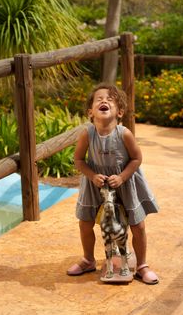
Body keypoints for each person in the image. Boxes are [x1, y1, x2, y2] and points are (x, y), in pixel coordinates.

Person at [67, 83, 159, 284]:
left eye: (110, 99)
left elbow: (136, 158)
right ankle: (88, 260)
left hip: (124, 182)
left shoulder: (124, 134)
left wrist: (123, 177)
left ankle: (142, 265)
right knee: (85, 223)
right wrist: (92, 176)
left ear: (120, 112)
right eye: (98, 99)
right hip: (95, 185)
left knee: (138, 225)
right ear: (91, 112)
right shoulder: (87, 134)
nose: (104, 101)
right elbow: (79, 160)